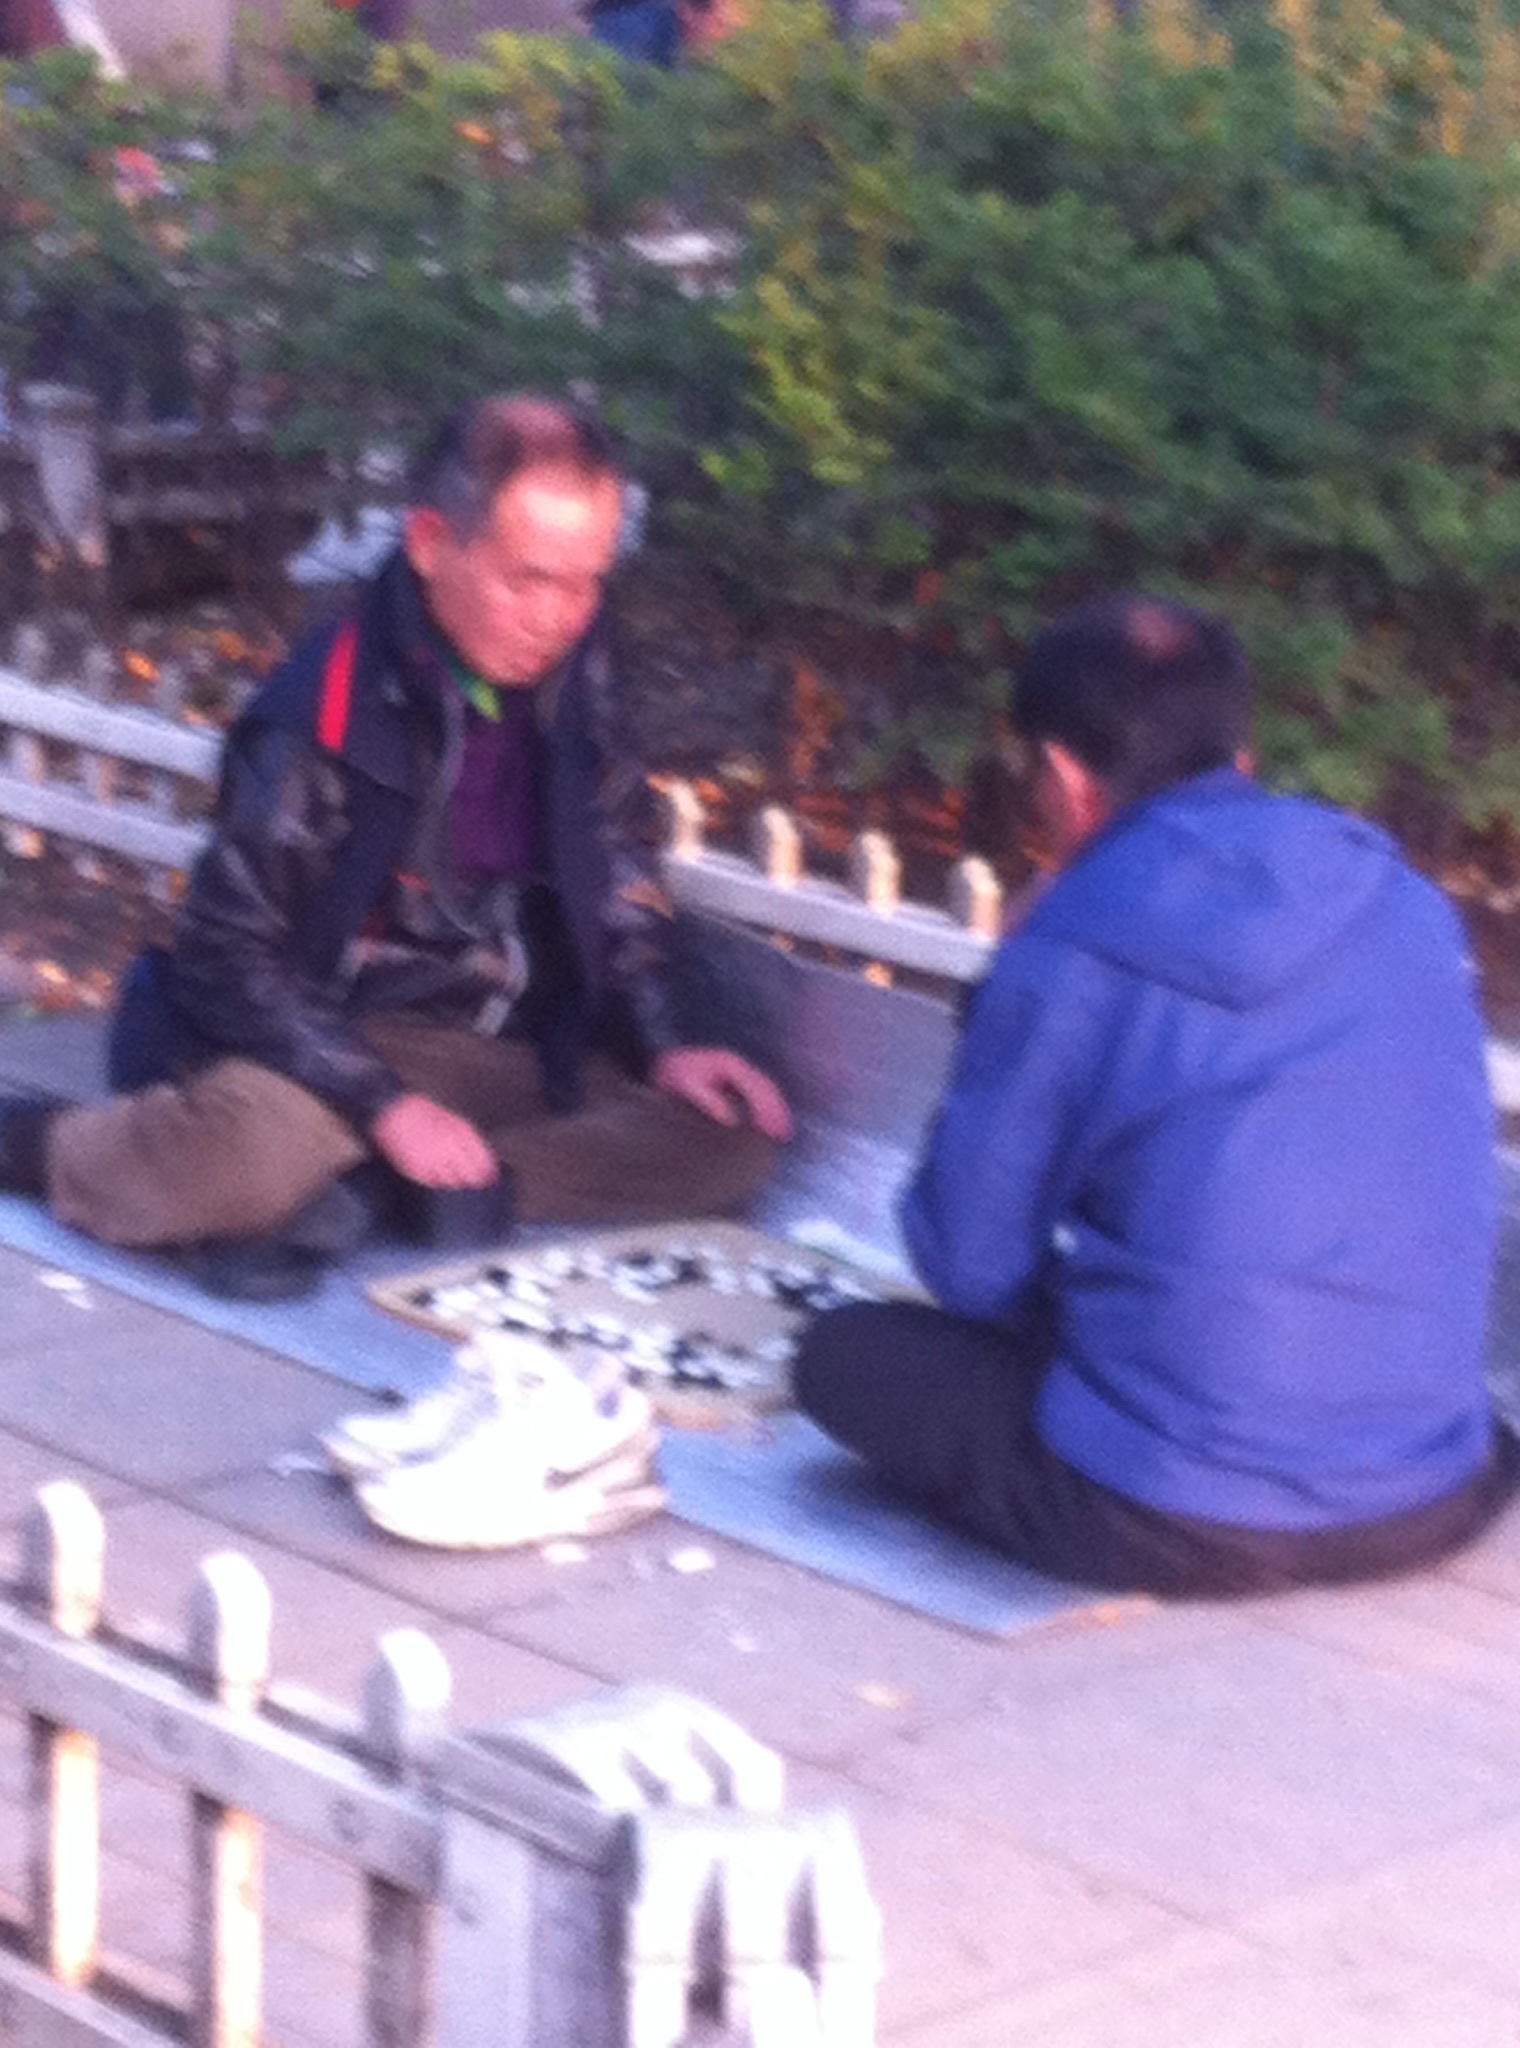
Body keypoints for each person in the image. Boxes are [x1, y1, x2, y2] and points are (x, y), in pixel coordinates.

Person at [795, 594, 1518, 1597]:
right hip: (1433, 1486)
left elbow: (968, 1267)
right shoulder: (1406, 901)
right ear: (1242, 758)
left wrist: (1006, 987)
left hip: (1178, 1518)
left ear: (1063, 779)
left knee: (842, 1357)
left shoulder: (1076, 938)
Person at [0, 395, 790, 1298]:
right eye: (527, 581)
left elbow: (619, 858)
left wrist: (660, 1045)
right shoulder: (321, 711)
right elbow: (226, 954)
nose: (560, 617)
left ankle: (391, 1190)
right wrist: (384, 1104)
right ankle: (43, 1144)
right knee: (234, 1173)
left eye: (587, 583)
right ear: (429, 544)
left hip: (518, 1042)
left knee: (733, 1139)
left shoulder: (583, 668)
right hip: (337, 1043)